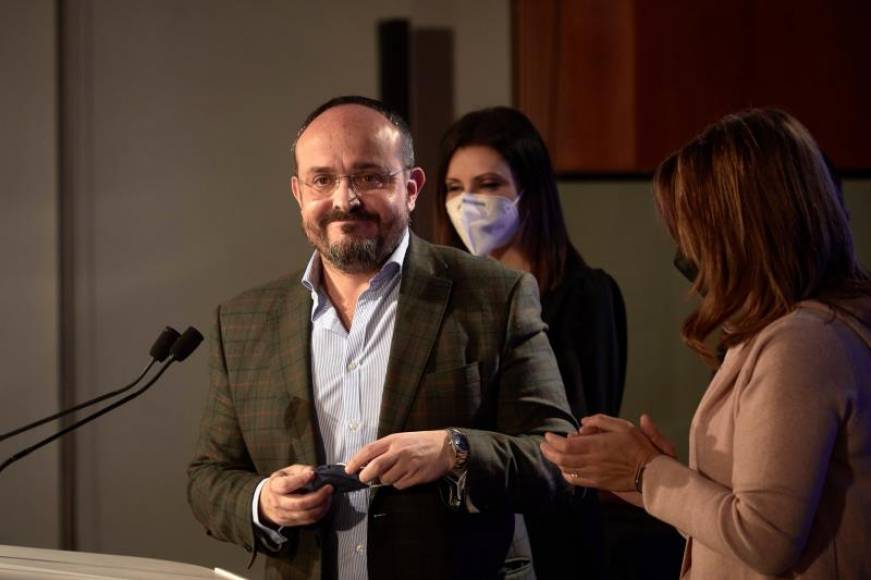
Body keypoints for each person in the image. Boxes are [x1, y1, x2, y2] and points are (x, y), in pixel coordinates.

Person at [187, 95, 578, 580]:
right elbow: (208, 477)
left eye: (370, 177)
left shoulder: (494, 295)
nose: (344, 199)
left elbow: (559, 458)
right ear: (298, 192)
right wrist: (262, 501)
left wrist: (454, 451)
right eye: (322, 179)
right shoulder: (242, 322)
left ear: (412, 187)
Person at [541, 108, 871, 579]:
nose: (687, 252)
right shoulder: (785, 331)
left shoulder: (802, 343)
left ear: (743, 229)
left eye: (693, 229)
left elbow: (765, 538)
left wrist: (646, 470)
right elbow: (738, 520)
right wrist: (641, 473)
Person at [433, 106, 628, 579]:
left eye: (489, 184)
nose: (469, 203)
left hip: (555, 541)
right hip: (466, 542)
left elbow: (578, 438)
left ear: (530, 190)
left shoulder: (583, 294)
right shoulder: (447, 299)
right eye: (455, 188)